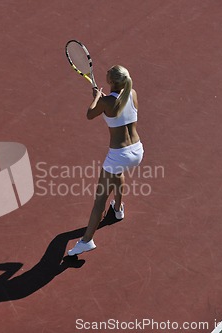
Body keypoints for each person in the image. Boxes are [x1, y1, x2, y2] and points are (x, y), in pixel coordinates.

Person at [68, 65, 144, 256]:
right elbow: (117, 107)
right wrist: (103, 99)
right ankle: (118, 209)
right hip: (137, 151)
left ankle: (86, 240)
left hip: (119, 155)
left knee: (100, 198)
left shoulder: (105, 102)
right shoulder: (132, 93)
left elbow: (89, 114)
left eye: (108, 75)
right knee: (117, 173)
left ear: (111, 82)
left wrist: (96, 98)